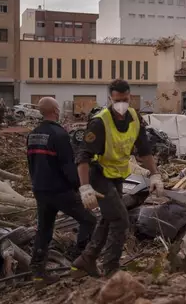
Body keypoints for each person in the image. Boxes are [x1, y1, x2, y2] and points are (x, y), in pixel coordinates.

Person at [71, 79, 165, 277]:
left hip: (117, 176)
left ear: (130, 96)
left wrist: (155, 174)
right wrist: (85, 187)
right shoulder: (99, 122)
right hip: (98, 175)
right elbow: (82, 156)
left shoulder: (134, 117)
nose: (122, 104)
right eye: (117, 100)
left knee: (108, 218)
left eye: (125, 99)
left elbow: (144, 149)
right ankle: (111, 268)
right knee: (121, 220)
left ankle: (86, 259)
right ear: (110, 99)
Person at [27, 97, 96, 287]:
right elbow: (68, 167)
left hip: (40, 189)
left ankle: (38, 273)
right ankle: (80, 260)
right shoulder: (59, 134)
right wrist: (81, 188)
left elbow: (30, 164)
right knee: (90, 220)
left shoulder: (33, 134)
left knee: (44, 229)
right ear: (56, 111)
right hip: (59, 191)